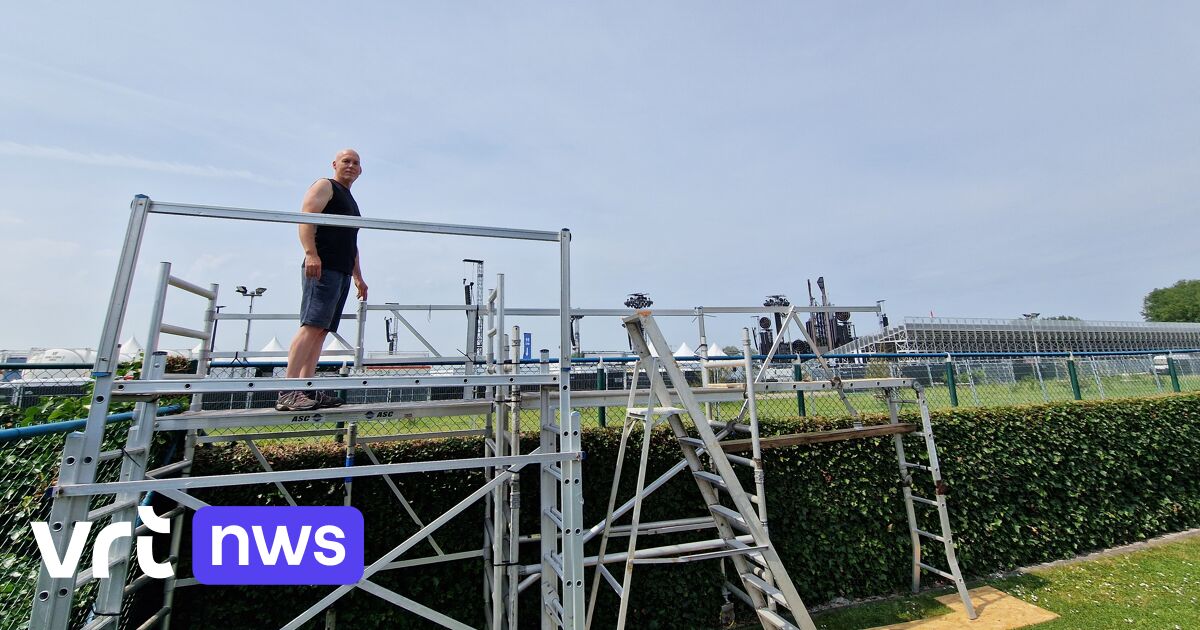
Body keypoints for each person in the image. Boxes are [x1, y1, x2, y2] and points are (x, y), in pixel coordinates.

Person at [276, 149, 369, 411]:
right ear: (335, 164)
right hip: (322, 266)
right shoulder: (325, 186)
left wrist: (358, 277)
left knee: (322, 330)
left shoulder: (349, 199)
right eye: (346, 161)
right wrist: (310, 254)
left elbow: (351, 241)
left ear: (361, 170)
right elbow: (306, 218)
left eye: (356, 163)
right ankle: (286, 391)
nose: (351, 166)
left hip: (340, 269)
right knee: (311, 324)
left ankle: (306, 388)